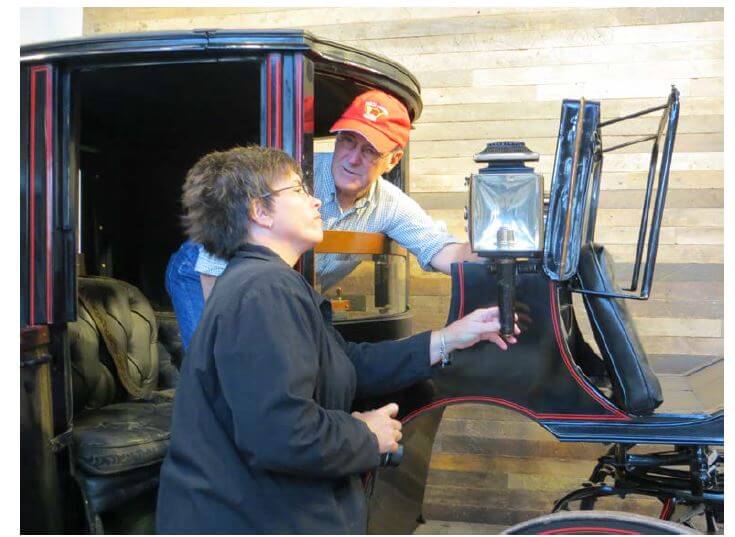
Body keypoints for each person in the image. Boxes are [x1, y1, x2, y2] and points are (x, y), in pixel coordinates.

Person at [155, 146, 519, 534]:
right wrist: (364, 434)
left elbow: (348, 364)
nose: (314, 199)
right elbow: (281, 433)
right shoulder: (264, 290)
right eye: (296, 190)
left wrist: (451, 338)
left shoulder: (272, 283)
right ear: (260, 212)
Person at [166, 89, 480, 349]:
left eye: (370, 150)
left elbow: (443, 251)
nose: (353, 158)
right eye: (347, 141)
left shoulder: (390, 204)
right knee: (212, 361)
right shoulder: (296, 175)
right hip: (202, 270)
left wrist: (493, 244)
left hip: (272, 292)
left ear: (393, 160)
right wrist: (215, 331)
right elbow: (212, 258)